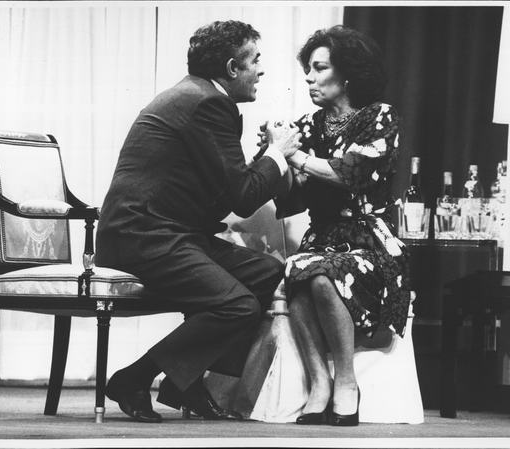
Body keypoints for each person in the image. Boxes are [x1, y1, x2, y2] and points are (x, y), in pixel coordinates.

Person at [95, 20, 301, 423]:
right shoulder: (207, 103)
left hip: (169, 234)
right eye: (255, 61)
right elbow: (244, 199)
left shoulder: (200, 97)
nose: (261, 70)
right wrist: (277, 154)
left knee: (266, 273)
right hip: (142, 237)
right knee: (238, 305)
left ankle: (183, 382)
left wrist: (266, 160)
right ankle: (134, 378)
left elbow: (228, 193)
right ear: (232, 68)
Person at [262, 25, 412, 426]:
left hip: (369, 241)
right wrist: (274, 157)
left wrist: (294, 156)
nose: (309, 78)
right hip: (322, 236)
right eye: (308, 70)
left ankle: (346, 381)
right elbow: (293, 199)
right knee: (298, 270)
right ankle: (319, 383)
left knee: (322, 273)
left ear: (346, 74)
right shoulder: (308, 125)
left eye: (319, 68)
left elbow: (352, 174)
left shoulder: (379, 117)